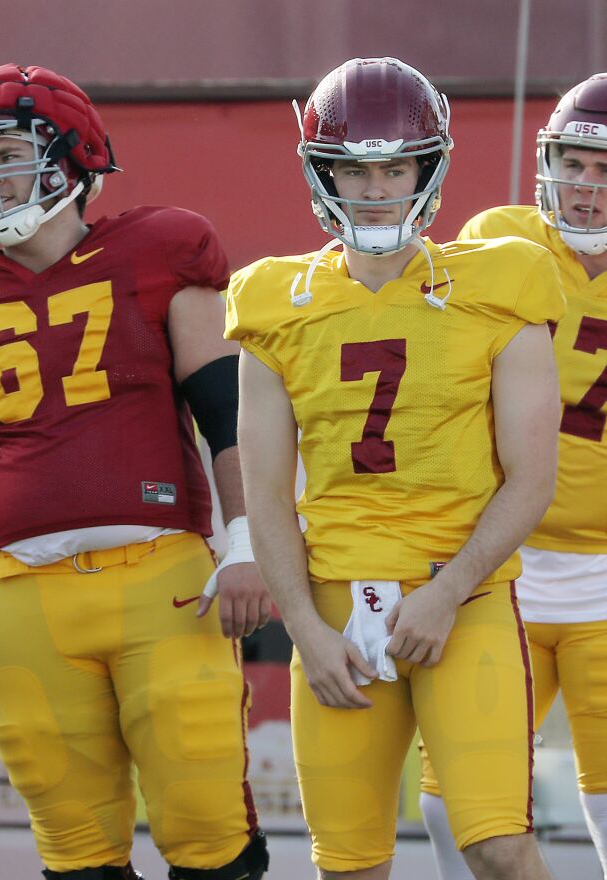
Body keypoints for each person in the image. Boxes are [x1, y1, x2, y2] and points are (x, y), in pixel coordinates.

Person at [0, 63, 271, 880]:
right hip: (21, 591)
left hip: (162, 574)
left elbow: (227, 412)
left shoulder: (160, 248)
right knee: (73, 846)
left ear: (72, 156)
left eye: (7, 152)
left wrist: (248, 538)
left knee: (204, 819)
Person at [226, 57, 565, 880]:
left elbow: (532, 477)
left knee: (498, 847)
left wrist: (447, 593)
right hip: (337, 607)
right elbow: (266, 490)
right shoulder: (274, 300)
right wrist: (306, 627)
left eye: (394, 167)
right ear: (322, 173)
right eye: (354, 168)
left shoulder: (502, 279)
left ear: (427, 169)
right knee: (347, 866)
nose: (376, 188)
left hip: (465, 595)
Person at [417, 72, 607, 880]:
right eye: (575, 162)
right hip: (504, 567)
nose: (587, 186)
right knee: (449, 798)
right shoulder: (501, 240)